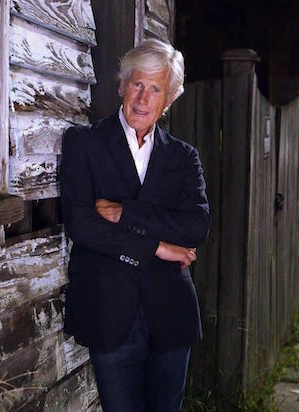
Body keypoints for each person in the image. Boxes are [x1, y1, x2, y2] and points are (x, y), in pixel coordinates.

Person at [59, 39, 211, 411]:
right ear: (122, 86)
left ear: (170, 98)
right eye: (137, 84)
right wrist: (157, 246)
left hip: (171, 317)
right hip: (108, 312)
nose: (143, 98)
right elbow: (82, 225)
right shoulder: (84, 143)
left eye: (155, 89)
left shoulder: (184, 158)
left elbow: (196, 227)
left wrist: (126, 212)